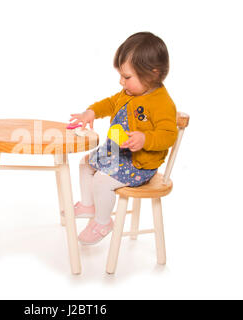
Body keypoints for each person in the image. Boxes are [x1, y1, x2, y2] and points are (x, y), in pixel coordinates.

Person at [69, 32, 178, 245]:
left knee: (101, 180)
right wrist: (91, 112)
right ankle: (88, 204)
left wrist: (146, 139)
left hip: (139, 164)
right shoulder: (128, 93)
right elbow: (109, 103)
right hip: (117, 153)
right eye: (121, 75)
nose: (121, 81)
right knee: (85, 165)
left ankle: (102, 222)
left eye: (127, 77)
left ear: (153, 73)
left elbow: (168, 135)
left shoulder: (162, 103)